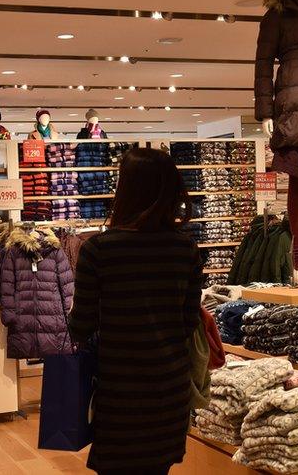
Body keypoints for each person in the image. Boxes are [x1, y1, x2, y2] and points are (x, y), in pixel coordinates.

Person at [68, 147, 202, 475]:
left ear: (124, 189)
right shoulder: (184, 248)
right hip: (169, 385)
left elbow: (81, 325)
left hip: (119, 389)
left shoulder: (99, 249)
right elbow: (189, 319)